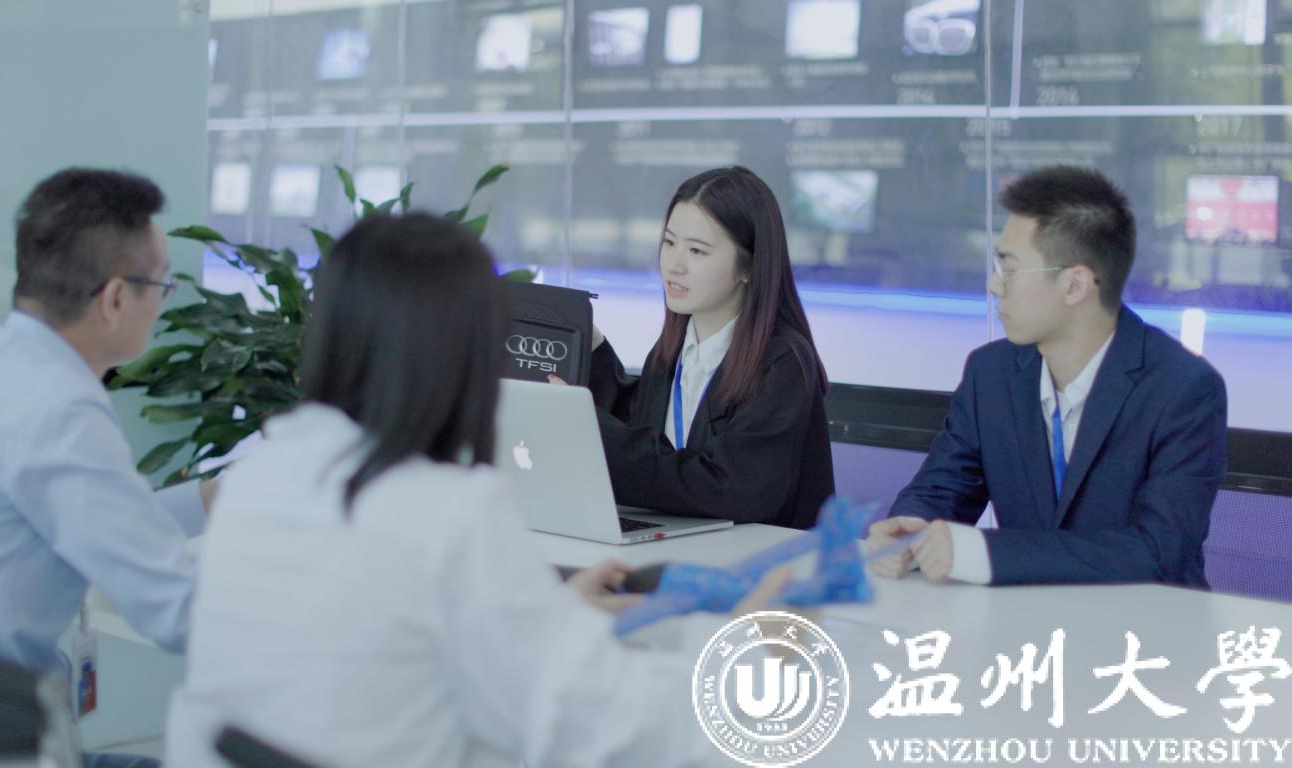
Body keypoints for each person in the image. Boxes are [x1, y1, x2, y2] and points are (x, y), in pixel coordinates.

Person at [164, 212, 786, 768]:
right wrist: (748, 646)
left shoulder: (260, 479)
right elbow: (615, 726)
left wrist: (546, 612)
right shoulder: (449, 512)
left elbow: (391, 636)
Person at [868, 165, 1227, 587]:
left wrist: (983, 554)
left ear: (1075, 285)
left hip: (1144, 623)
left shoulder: (1181, 387)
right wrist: (911, 529)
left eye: (1010, 269)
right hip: (1022, 618)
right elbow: (943, 488)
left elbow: (1158, 551)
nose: (995, 285)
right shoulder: (991, 373)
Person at [0, 168, 215, 675]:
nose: (164, 301)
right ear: (116, 299)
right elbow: (175, 608)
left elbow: (94, 517)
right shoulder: (59, 410)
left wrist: (211, 498)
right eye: (163, 284)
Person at [585, 166, 833, 529]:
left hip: (760, 558)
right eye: (669, 243)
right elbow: (643, 431)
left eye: (697, 251)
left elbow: (731, 489)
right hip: (687, 546)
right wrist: (593, 352)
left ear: (749, 266)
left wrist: (596, 433)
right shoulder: (671, 350)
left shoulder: (783, 362)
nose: (674, 265)